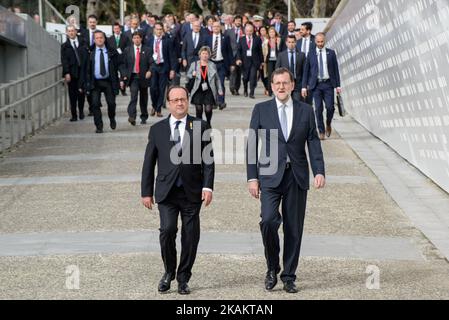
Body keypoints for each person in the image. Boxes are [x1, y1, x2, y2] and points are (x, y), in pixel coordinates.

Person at [246, 67, 325, 294]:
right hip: (269, 175)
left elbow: (313, 142)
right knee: (269, 221)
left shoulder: (306, 110)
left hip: (297, 177)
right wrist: (252, 177)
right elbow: (252, 145)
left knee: (293, 229)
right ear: (271, 86)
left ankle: (289, 276)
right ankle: (272, 267)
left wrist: (319, 170)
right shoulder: (261, 109)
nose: (281, 87)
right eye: (277, 83)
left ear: (292, 85)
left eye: (285, 83)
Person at [141, 86, 215, 295]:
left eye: (183, 99)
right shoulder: (157, 130)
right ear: (168, 104)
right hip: (166, 191)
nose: (180, 103)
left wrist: (208, 186)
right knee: (167, 231)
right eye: (175, 100)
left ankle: (183, 278)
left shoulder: (200, 125)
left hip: (192, 190)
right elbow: (149, 163)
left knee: (190, 236)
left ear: (188, 101)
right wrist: (146, 192)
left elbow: (208, 161)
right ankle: (168, 272)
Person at [79, 31, 123, 133]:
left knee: (111, 103)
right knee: (94, 104)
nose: (99, 39)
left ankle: (112, 118)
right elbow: (84, 69)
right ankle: (99, 126)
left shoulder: (111, 52)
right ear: (94, 40)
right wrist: (82, 84)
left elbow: (119, 65)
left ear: (104, 39)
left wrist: (122, 78)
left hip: (108, 81)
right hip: (95, 82)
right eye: (97, 38)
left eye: (101, 38)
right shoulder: (90, 52)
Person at [302, 32, 341, 140]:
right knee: (318, 109)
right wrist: (304, 86)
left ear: (325, 40)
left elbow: (336, 70)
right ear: (315, 41)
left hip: (328, 84)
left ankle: (328, 123)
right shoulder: (310, 54)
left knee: (330, 107)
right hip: (316, 85)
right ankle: (321, 130)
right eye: (318, 42)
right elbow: (306, 71)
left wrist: (338, 86)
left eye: (322, 41)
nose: (320, 43)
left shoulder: (331, 53)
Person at [121, 31, 153, 126]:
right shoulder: (128, 50)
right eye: (134, 38)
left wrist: (150, 71)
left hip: (143, 77)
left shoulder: (147, 50)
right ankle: (132, 116)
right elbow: (123, 64)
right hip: (133, 77)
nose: (136, 39)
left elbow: (152, 62)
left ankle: (144, 116)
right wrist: (124, 75)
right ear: (132, 39)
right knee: (133, 96)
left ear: (141, 39)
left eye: (138, 38)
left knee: (143, 98)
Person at [147, 22, 177, 117]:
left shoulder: (167, 41)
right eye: (157, 29)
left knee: (161, 89)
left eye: (160, 29)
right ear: (154, 30)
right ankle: (154, 105)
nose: (159, 31)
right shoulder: (149, 40)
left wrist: (172, 69)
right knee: (153, 88)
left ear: (162, 30)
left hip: (164, 66)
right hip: (153, 66)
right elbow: (147, 55)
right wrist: (148, 69)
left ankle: (158, 109)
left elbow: (172, 56)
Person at [187, 47, 223, 126]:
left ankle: (208, 122)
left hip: (209, 90)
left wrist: (220, 89)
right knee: (199, 109)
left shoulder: (212, 65)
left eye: (206, 54)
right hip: (197, 89)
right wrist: (192, 74)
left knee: (208, 109)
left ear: (209, 55)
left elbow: (217, 79)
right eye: (203, 53)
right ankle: (199, 125)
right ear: (200, 55)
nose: (205, 55)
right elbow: (188, 75)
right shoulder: (194, 64)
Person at [61, 25, 87, 122]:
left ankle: (81, 112)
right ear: (67, 33)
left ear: (76, 31)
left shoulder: (82, 42)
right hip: (72, 73)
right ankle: (74, 115)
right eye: (69, 31)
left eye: (73, 31)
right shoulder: (64, 46)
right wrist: (66, 73)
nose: (71, 33)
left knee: (81, 94)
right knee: (72, 95)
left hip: (82, 72)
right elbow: (64, 60)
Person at [207, 21, 232, 110]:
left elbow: (229, 51)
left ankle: (221, 102)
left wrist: (231, 64)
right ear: (212, 28)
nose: (216, 28)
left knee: (220, 83)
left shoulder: (225, 38)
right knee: (212, 84)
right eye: (214, 27)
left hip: (221, 63)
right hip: (211, 63)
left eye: (218, 26)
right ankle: (214, 102)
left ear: (220, 28)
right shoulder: (208, 38)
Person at [236, 23, 263, 99]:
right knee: (245, 78)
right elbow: (238, 50)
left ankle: (252, 92)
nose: (249, 32)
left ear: (253, 31)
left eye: (251, 31)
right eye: (247, 31)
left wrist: (261, 62)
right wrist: (238, 59)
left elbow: (260, 51)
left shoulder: (257, 39)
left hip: (254, 62)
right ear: (245, 31)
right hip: (244, 62)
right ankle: (245, 89)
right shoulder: (241, 39)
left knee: (253, 77)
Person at [276, 35, 306, 102]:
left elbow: (305, 71)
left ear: (296, 43)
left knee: (296, 102)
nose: (291, 44)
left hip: (297, 83)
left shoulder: (301, 55)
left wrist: (304, 85)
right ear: (286, 43)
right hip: (285, 83)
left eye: (293, 42)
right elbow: (277, 70)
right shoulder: (281, 55)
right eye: (289, 42)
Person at [225, 15, 243, 96]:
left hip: (241, 54)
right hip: (232, 54)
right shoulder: (228, 31)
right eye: (237, 20)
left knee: (239, 72)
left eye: (240, 21)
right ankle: (232, 88)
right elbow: (226, 43)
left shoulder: (243, 31)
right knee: (233, 71)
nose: (238, 22)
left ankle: (237, 88)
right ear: (234, 21)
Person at [265, 27, 282, 96]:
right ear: (268, 34)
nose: (272, 33)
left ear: (275, 33)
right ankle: (270, 91)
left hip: (277, 59)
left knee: (277, 75)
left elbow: (281, 49)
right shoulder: (266, 41)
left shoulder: (279, 40)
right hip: (269, 60)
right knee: (270, 76)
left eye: (273, 32)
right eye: (270, 32)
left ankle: (277, 90)